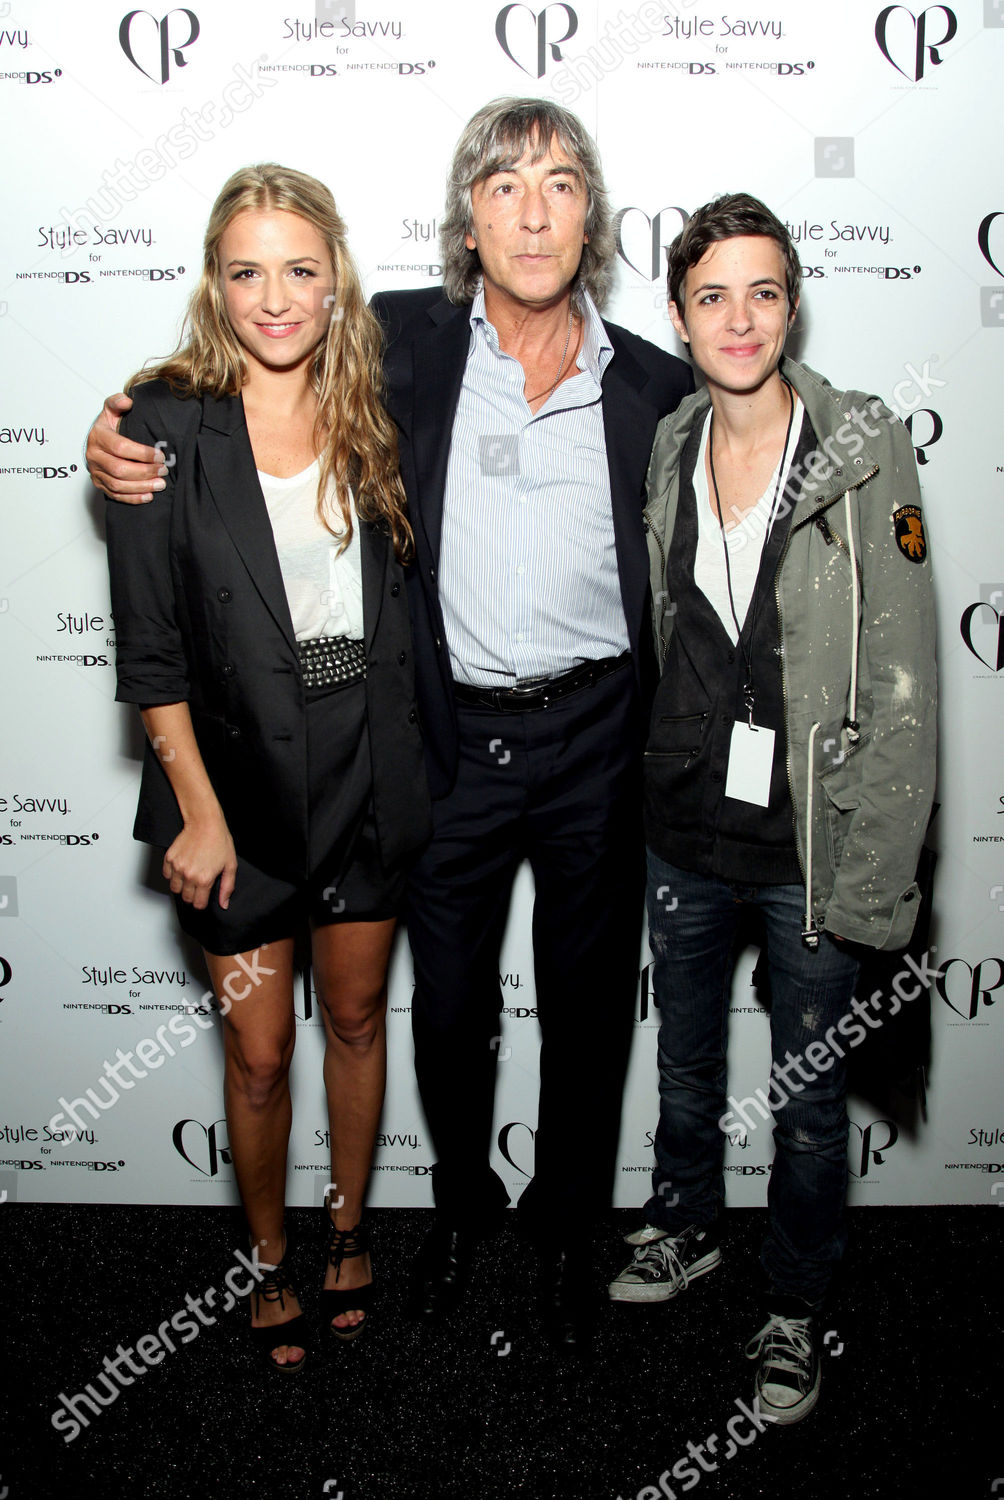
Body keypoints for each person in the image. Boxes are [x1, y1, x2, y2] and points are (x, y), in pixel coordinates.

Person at [87, 99, 693, 1355]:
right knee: (449, 1006)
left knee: (587, 1009)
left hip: (595, 740)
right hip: (444, 743)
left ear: (593, 216)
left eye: (560, 185)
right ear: (466, 220)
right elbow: (244, 357)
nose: (533, 215)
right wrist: (116, 431)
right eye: (504, 187)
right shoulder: (398, 342)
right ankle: (460, 1213)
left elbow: (752, 433)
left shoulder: (656, 384)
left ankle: (565, 1228)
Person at [608, 194, 936, 1421]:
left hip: (811, 839)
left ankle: (793, 1305)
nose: (736, 319)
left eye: (760, 292)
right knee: (685, 1067)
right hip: (684, 825)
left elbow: (902, 675)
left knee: (805, 1105)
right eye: (711, 296)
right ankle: (685, 1226)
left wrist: (873, 879)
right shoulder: (670, 442)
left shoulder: (861, 444)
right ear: (678, 315)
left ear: (790, 306)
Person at [102, 164, 430, 1373]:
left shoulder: (381, 402)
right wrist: (198, 813)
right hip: (229, 786)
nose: (276, 298)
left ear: (336, 277)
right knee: (257, 1055)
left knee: (353, 1018)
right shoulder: (158, 425)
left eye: (300, 269)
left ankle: (347, 1232)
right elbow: (150, 649)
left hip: (367, 768)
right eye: (248, 272)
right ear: (215, 283)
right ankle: (269, 1255)